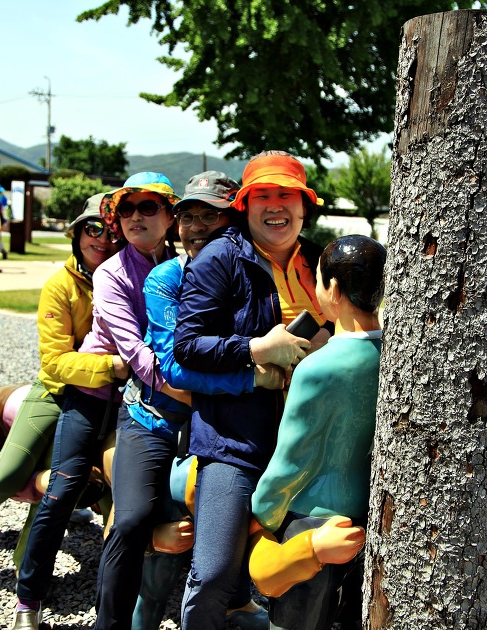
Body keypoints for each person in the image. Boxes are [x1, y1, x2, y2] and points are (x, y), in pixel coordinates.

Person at [94, 171, 277, 630]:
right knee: (135, 519)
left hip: (214, 422)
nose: (196, 226)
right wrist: (252, 378)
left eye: (209, 215)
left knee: (219, 524)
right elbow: (169, 369)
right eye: (187, 217)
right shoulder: (164, 279)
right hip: (156, 418)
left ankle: (236, 604)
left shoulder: (240, 269)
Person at [12, 172, 185, 630]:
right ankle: (28, 601)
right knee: (65, 488)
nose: (134, 217)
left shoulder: (186, 265)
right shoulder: (111, 273)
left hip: (149, 401)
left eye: (147, 207)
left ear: (170, 216)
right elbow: (138, 356)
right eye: (125, 209)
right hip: (96, 395)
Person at [173, 152, 332, 629]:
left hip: (309, 442)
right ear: (245, 205)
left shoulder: (319, 260)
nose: (275, 205)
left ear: (304, 207)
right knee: (217, 568)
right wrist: (257, 347)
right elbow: (187, 345)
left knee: (315, 568)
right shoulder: (220, 258)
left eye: (287, 195)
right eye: (263, 195)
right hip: (235, 440)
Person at [0, 194, 127, 562]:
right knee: (10, 471)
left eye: (111, 233)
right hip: (57, 392)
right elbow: (55, 361)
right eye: (93, 229)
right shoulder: (61, 286)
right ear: (76, 234)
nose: (102, 240)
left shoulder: (129, 278)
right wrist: (112, 367)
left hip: (111, 400)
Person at [251, 235, 387, 630]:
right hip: (369, 515)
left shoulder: (318, 367)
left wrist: (260, 513)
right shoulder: (396, 356)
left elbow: (294, 458)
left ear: (334, 289)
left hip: (313, 518)